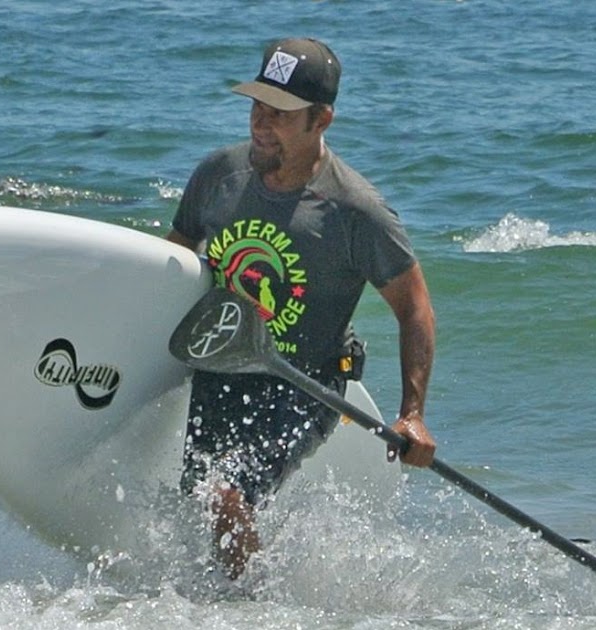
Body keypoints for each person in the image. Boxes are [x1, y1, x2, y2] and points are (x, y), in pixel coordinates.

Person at [164, 37, 437, 580]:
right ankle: (236, 597)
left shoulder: (355, 210)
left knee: (224, 494)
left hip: (304, 384)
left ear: (322, 119)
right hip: (220, 368)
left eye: (280, 114)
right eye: (256, 107)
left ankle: (246, 611)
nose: (260, 124)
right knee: (199, 493)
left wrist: (412, 414)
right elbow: (169, 259)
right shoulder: (218, 175)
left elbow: (415, 310)